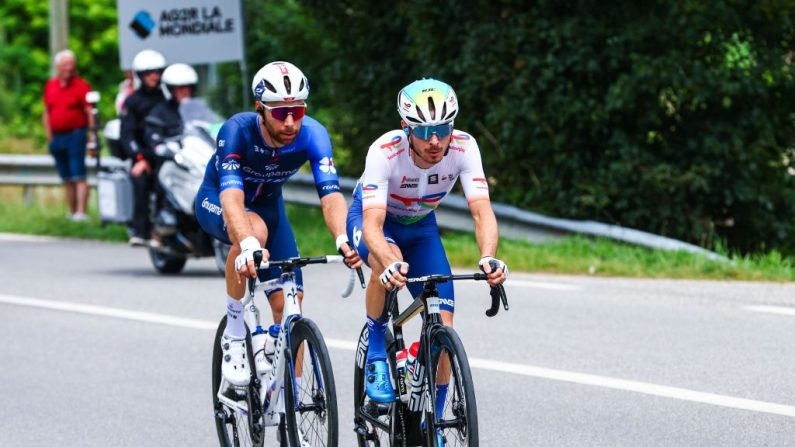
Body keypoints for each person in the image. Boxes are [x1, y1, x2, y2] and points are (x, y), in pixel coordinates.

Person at [345, 79, 508, 434]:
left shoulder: (465, 147)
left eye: (443, 128)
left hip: (421, 226)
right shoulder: (384, 151)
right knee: (387, 257)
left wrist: (488, 257)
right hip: (376, 220)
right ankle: (376, 348)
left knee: (444, 329)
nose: (435, 140)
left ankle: (430, 424)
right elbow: (372, 226)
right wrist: (386, 260)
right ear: (407, 128)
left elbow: (482, 212)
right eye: (425, 131)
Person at [195, 61, 362, 387]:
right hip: (220, 200)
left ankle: (291, 397)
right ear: (260, 108)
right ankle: (233, 332)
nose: (289, 122)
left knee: (291, 305)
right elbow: (232, 198)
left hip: (271, 208)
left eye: (297, 112)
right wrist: (246, 244)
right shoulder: (237, 131)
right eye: (280, 113)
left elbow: (330, 197)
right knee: (254, 231)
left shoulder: (313, 135)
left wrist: (343, 238)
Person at [42, 49, 97, 222]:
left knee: (78, 175)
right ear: (58, 66)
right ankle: (72, 212)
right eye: (65, 64)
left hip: (76, 135)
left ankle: (81, 212)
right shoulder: (51, 85)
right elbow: (46, 112)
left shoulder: (81, 85)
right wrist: (49, 136)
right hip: (57, 137)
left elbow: (90, 111)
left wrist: (92, 136)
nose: (69, 67)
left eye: (71, 64)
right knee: (67, 177)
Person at [119, 49, 167, 246]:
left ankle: (167, 229)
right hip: (143, 157)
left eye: (157, 72)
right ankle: (140, 230)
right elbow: (127, 134)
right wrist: (139, 158)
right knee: (141, 180)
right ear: (140, 75)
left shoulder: (166, 99)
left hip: (165, 155)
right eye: (150, 72)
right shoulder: (132, 102)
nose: (154, 76)